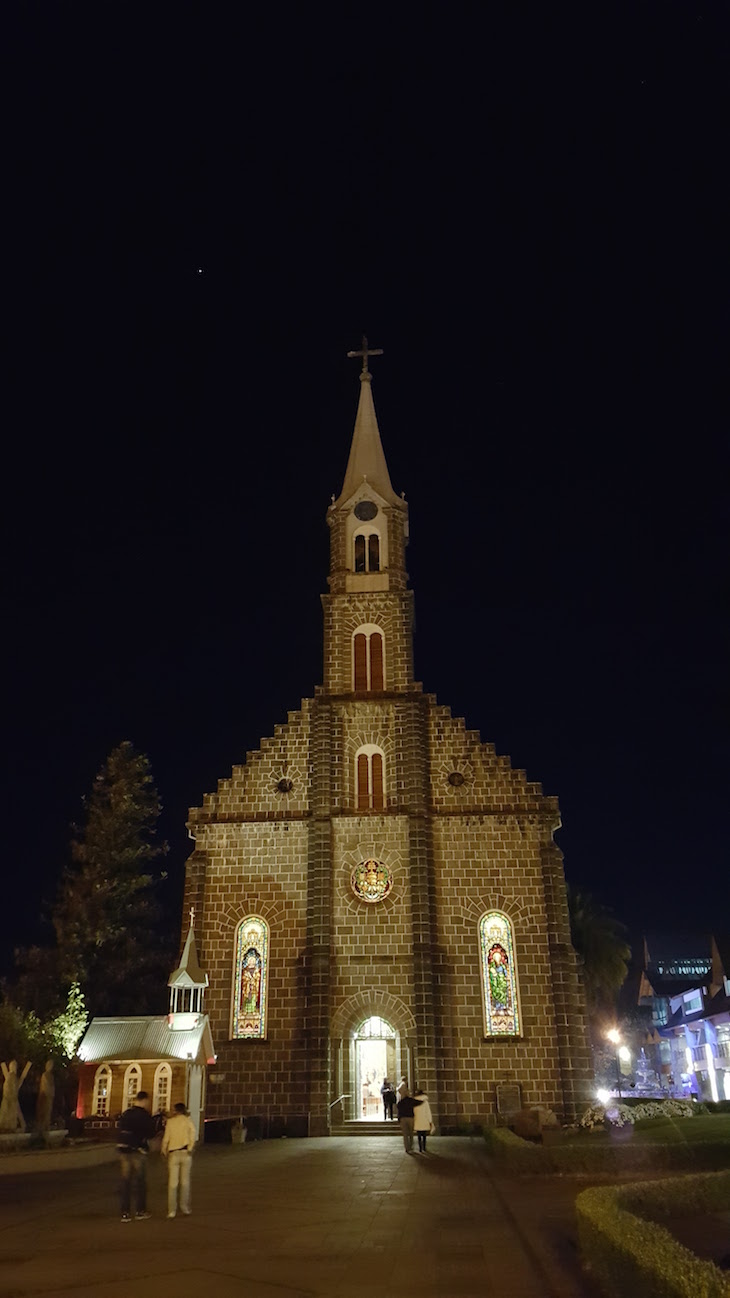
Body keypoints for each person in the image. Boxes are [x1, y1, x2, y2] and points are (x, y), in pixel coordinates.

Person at [117, 1090, 157, 1222]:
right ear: (144, 1100)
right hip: (137, 1150)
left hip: (124, 1149)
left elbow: (120, 1129)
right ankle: (140, 1210)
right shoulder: (144, 1115)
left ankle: (125, 1212)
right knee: (140, 1181)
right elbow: (150, 1133)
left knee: (125, 1181)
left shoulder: (126, 1113)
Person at [161, 1101, 197, 1219]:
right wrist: (191, 1147)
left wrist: (164, 1149)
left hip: (173, 1153)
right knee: (185, 1182)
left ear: (176, 1110)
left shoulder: (170, 1122)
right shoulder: (188, 1120)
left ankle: (172, 1210)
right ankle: (184, 1207)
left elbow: (166, 1138)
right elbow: (193, 1133)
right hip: (186, 1152)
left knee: (173, 1183)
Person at [0, 1060, 31, 1132]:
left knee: (11, 1112)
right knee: (7, 1112)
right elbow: (9, 1088)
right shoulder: (11, 1076)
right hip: (10, 1099)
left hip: (12, 1099)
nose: (15, 1068)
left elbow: (15, 1086)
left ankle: (17, 1126)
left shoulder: (12, 1077)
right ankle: (10, 1126)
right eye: (14, 1066)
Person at [36, 1060, 55, 1133]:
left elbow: (52, 1086)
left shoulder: (51, 1076)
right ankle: (42, 1126)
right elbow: (45, 1086)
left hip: (50, 1096)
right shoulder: (45, 1075)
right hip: (45, 1096)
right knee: (44, 1111)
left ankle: (47, 1125)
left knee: (48, 1112)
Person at [413, 1087, 434, 1152]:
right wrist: (430, 1121)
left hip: (417, 1120)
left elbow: (413, 1111)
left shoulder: (414, 1102)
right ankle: (424, 1147)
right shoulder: (425, 1102)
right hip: (424, 1120)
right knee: (424, 1135)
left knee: (419, 1134)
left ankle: (420, 1148)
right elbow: (428, 1112)